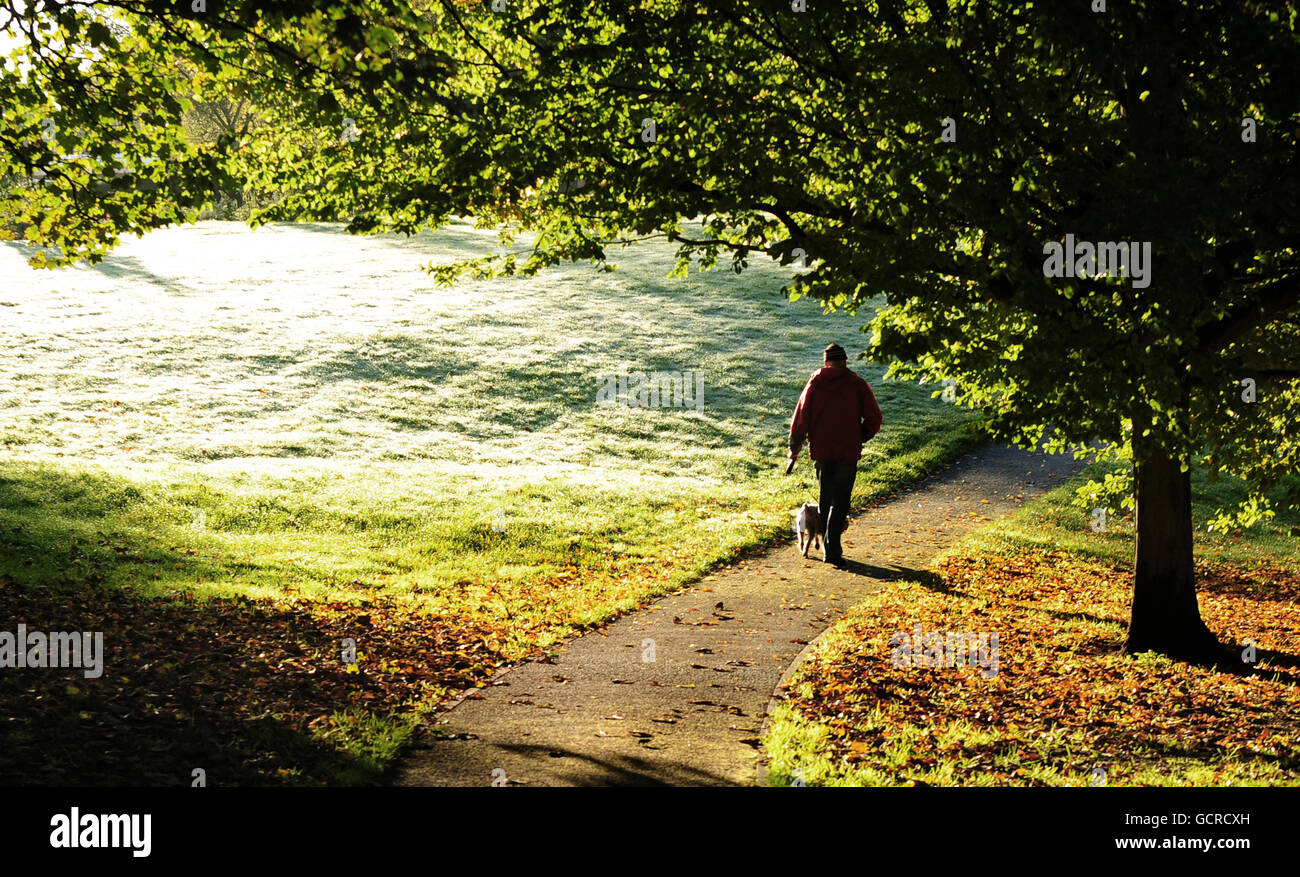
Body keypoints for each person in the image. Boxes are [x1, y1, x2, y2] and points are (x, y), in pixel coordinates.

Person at [785, 343, 883, 565]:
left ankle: (829, 548)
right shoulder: (858, 384)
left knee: (825, 499)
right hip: (848, 453)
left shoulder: (815, 384)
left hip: (822, 452)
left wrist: (795, 447)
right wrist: (861, 436)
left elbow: (801, 417)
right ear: (845, 361)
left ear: (826, 362)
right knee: (840, 503)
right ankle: (832, 549)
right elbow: (874, 419)